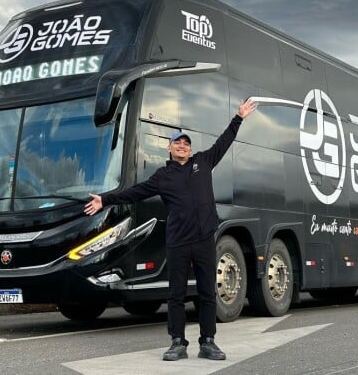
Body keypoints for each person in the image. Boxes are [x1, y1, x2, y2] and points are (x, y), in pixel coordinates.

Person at [84, 98, 256, 362]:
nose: (183, 146)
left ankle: (208, 342)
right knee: (176, 294)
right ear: (169, 148)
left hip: (204, 240)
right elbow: (135, 192)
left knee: (207, 292)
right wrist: (105, 200)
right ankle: (177, 342)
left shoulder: (204, 161)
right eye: (178, 143)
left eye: (186, 143)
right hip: (178, 242)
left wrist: (239, 117)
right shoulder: (162, 177)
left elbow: (224, 142)